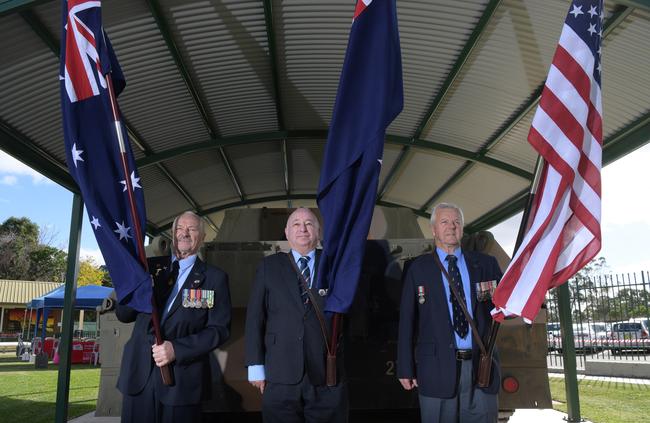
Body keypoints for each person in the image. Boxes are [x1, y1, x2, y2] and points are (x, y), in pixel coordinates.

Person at [116, 211, 231, 423]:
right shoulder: (147, 268)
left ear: (202, 237)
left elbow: (219, 329)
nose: (184, 233)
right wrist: (136, 288)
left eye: (192, 229)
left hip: (181, 380)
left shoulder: (214, 278)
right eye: (180, 228)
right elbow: (123, 315)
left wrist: (176, 349)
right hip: (139, 375)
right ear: (172, 233)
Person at [397, 203, 502, 423]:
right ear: (434, 229)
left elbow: (503, 306)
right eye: (444, 222)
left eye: (456, 222)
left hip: (480, 369)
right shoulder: (418, 268)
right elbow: (407, 321)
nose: (451, 227)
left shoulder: (486, 265)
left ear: (462, 229)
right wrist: (405, 367)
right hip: (435, 369)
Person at [244, 207, 348, 423]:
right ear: (287, 232)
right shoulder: (269, 266)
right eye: (296, 224)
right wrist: (255, 366)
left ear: (318, 231)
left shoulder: (335, 266)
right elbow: (255, 318)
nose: (303, 228)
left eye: (309, 223)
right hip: (280, 372)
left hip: (326, 373)